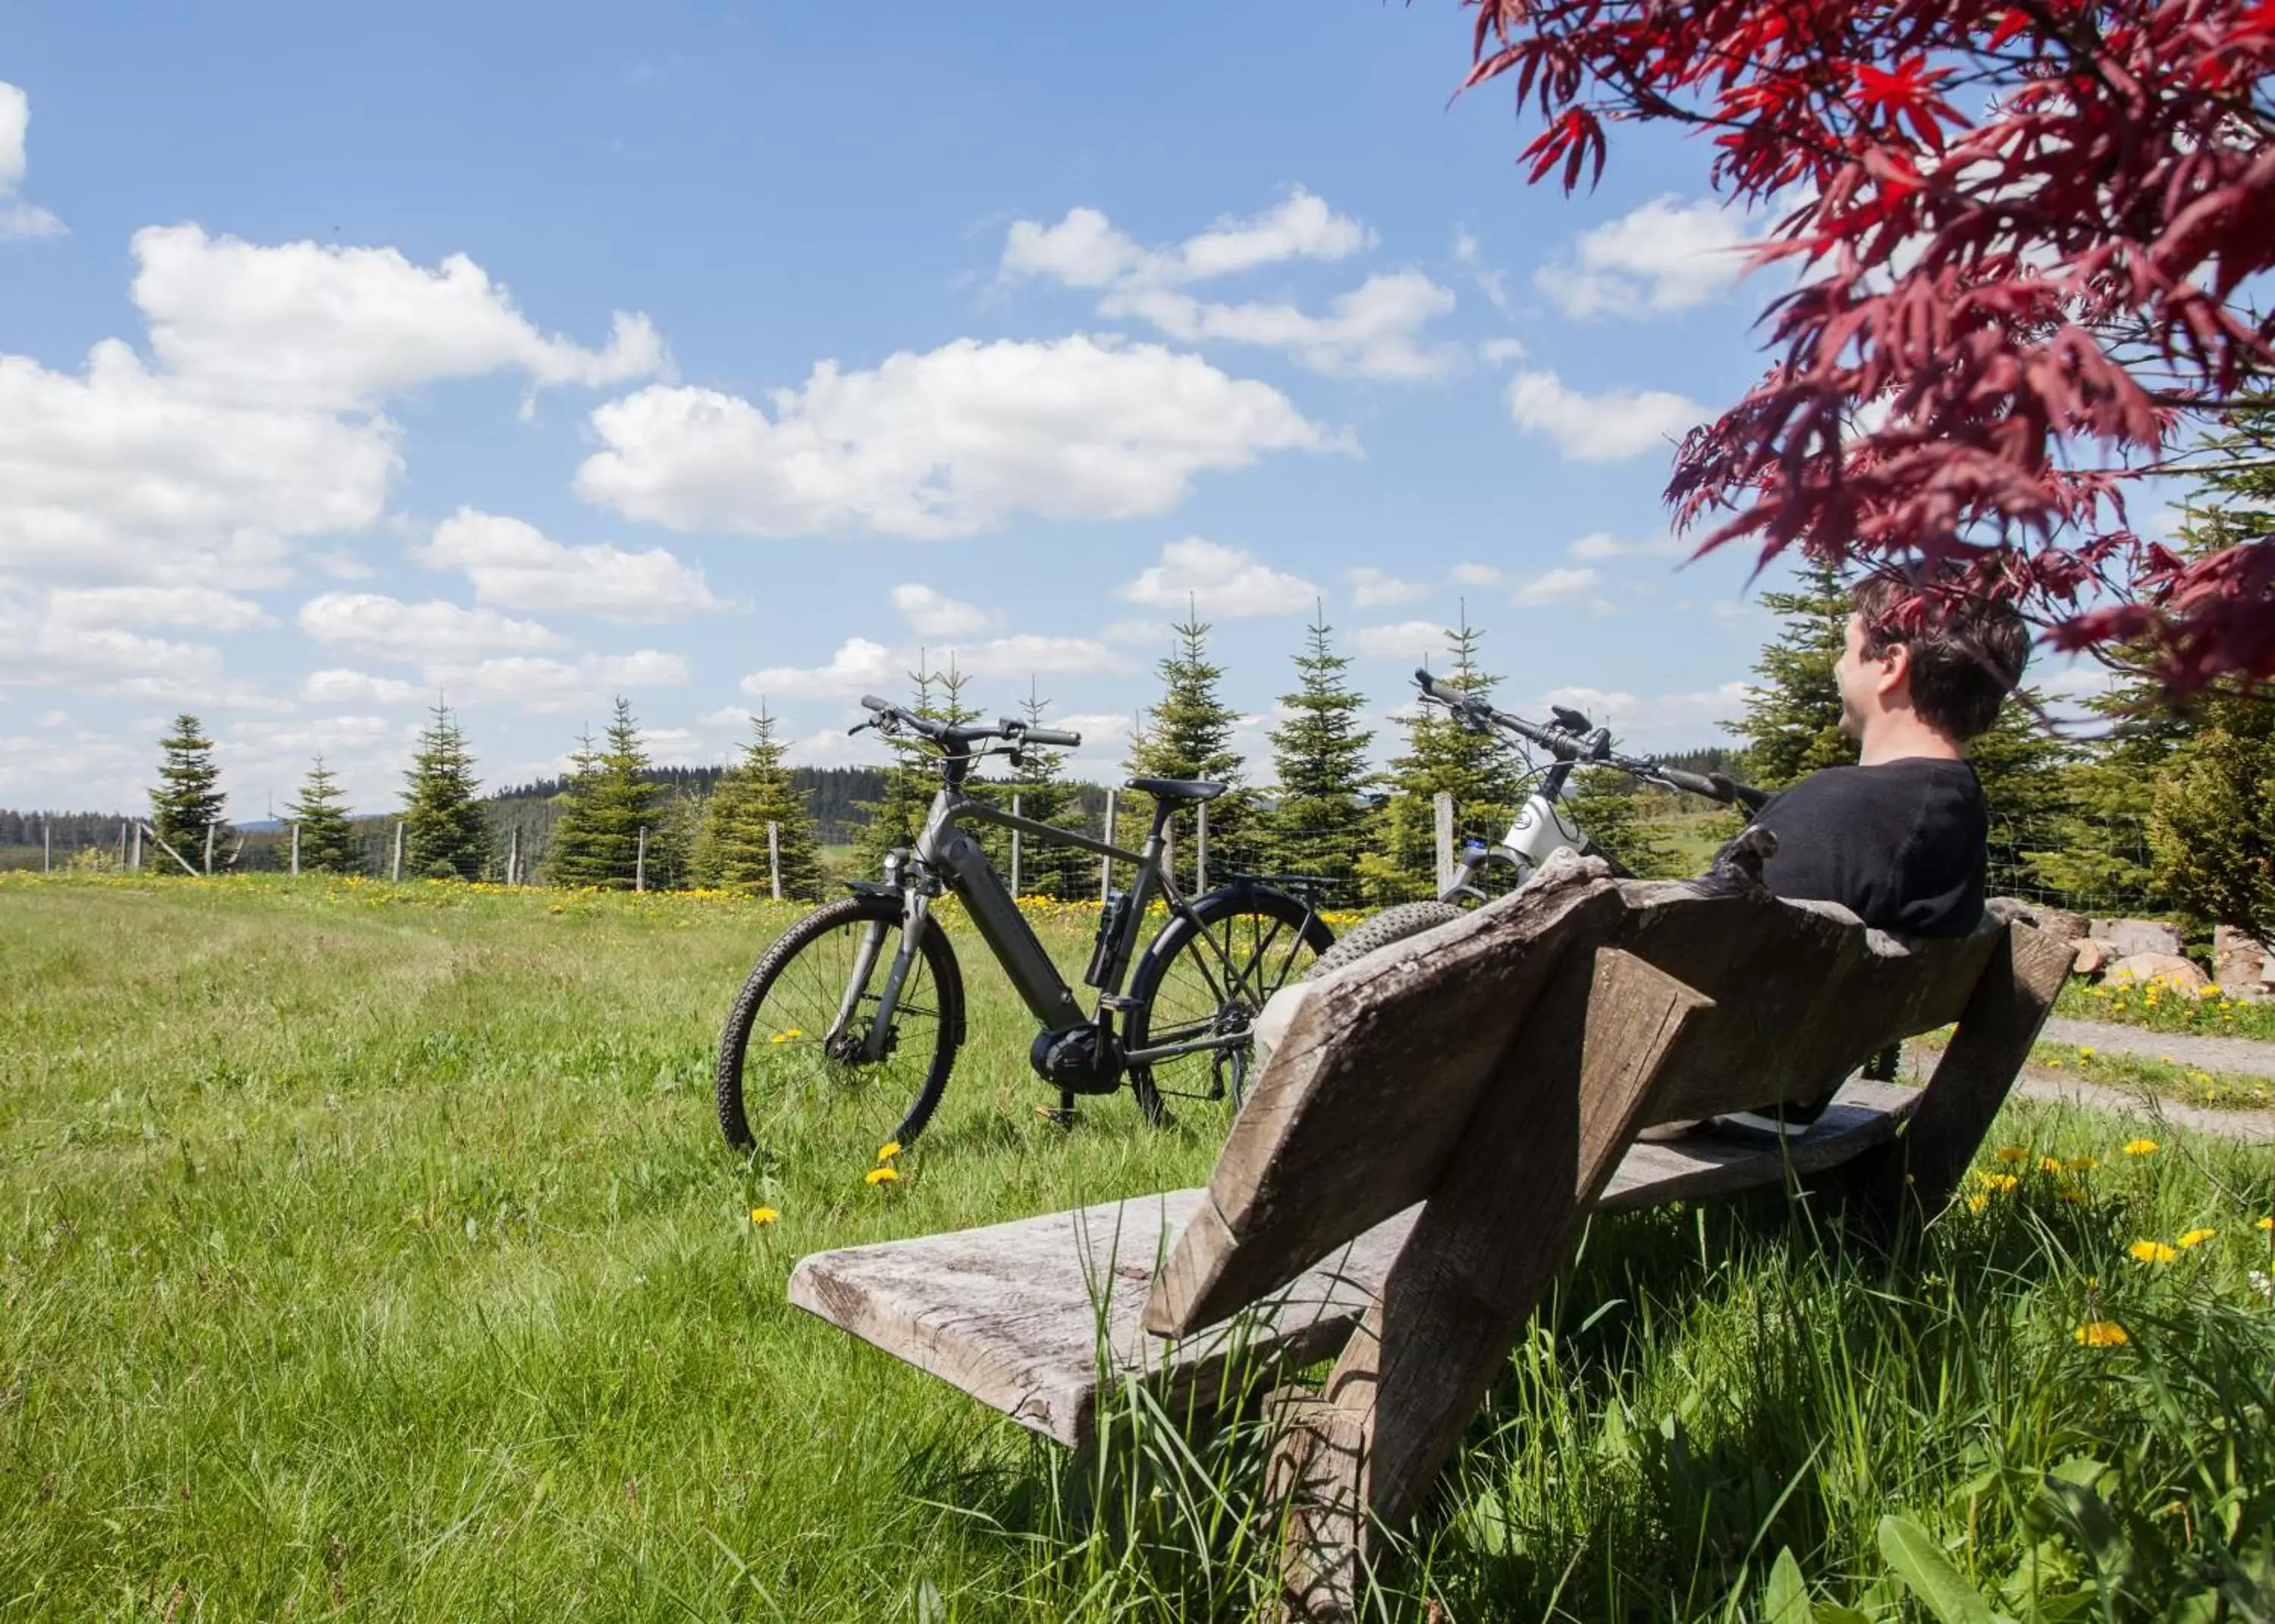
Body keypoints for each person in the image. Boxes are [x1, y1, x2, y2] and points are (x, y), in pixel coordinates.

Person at [1716, 570, 2030, 1136]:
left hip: (1714, 1098)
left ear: (1891, 665)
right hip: (1784, 1101)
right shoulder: (1952, 808)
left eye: (1847, 649)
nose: (1838, 666)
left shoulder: (1840, 806)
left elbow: (1707, 950)